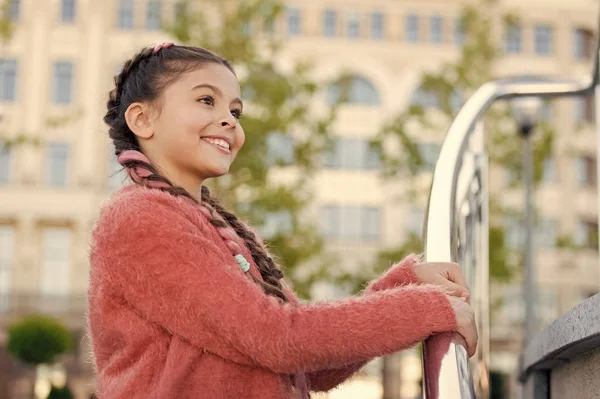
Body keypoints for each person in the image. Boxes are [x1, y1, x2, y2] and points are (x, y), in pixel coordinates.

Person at [87, 42, 478, 399]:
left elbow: (310, 368)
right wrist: (424, 308)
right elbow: (275, 336)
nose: (229, 120)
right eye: (207, 100)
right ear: (142, 119)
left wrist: (401, 284)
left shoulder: (214, 225)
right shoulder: (138, 218)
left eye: (235, 111)